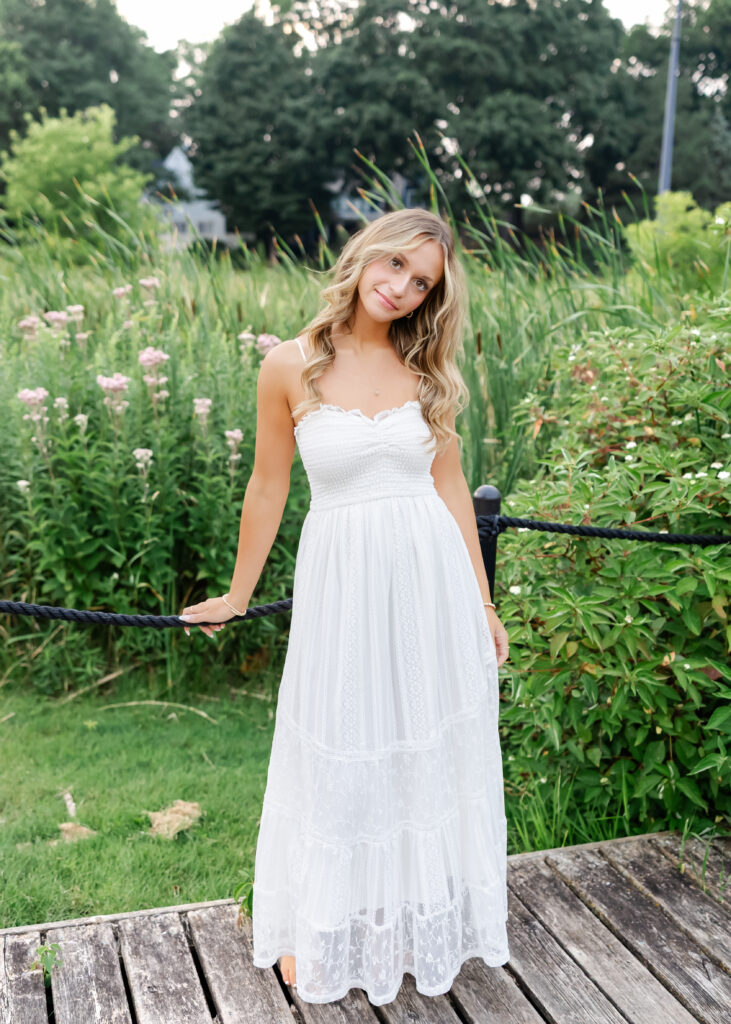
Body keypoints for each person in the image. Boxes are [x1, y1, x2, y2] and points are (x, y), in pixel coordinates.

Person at [178, 207, 511, 1005]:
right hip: (343, 584)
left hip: (429, 581)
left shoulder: (425, 371)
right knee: (339, 734)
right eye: (395, 265)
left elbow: (449, 486)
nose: (401, 288)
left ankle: (412, 916)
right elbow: (268, 485)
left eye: (421, 282)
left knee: (418, 741)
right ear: (365, 257)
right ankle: (315, 924)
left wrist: (482, 603)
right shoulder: (288, 365)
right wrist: (237, 595)